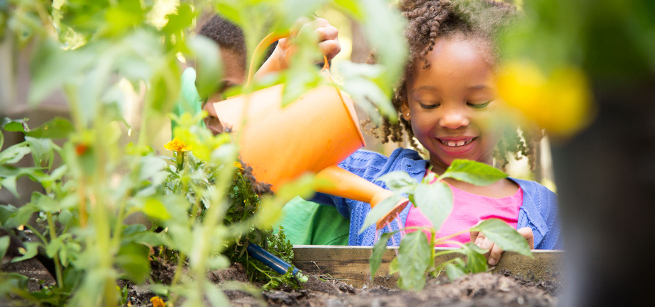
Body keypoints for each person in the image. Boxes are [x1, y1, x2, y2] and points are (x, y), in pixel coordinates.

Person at [310, 0, 561, 265]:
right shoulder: (375, 179)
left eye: (478, 102)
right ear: (405, 105)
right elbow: (295, 156)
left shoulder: (546, 211)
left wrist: (527, 262)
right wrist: (300, 65)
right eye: (430, 103)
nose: (453, 120)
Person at [178, 15, 351, 245]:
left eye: (229, 92)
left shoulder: (324, 213)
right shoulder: (199, 117)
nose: (207, 109)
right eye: (203, 94)